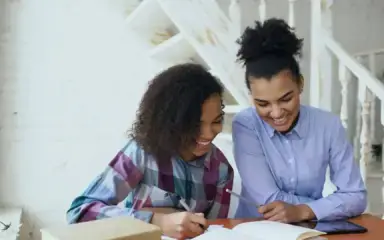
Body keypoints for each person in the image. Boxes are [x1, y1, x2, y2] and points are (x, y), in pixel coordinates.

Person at [66, 63, 234, 239]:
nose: (208, 134)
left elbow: (215, 233)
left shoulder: (222, 170)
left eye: (216, 121)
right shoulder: (142, 152)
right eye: (195, 125)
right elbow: (79, 213)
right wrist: (156, 221)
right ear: (170, 121)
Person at [232, 18, 367, 223]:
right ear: (251, 96)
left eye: (286, 99)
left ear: (300, 84)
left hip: (310, 231)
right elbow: (268, 200)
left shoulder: (328, 125)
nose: (276, 113)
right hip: (255, 230)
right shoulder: (245, 125)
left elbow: (356, 196)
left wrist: (304, 211)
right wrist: (327, 207)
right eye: (263, 104)